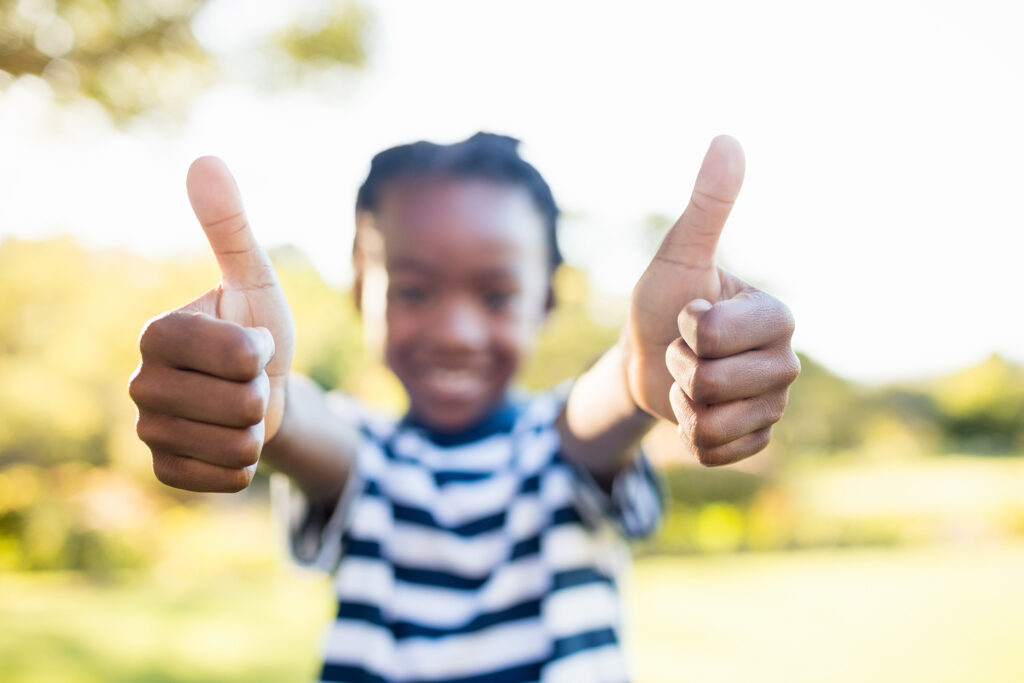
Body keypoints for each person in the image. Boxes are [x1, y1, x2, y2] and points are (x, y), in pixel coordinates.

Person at [128, 132, 799, 682]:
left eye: (496, 294)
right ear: (363, 290)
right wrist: (262, 400)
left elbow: (594, 418)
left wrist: (634, 372)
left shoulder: (558, 442)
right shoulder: (365, 453)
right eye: (414, 291)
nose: (456, 331)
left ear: (545, 300)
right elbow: (314, 433)